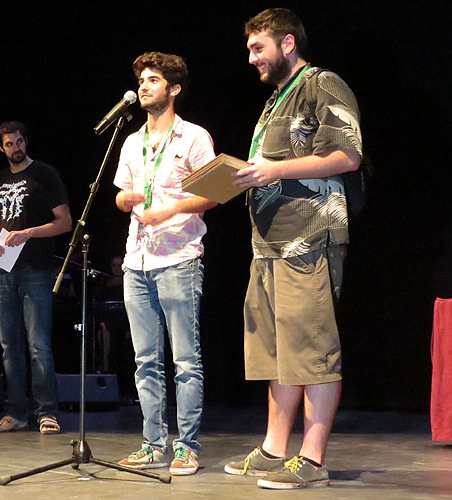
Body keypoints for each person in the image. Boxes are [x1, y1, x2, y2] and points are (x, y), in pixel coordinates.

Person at [223, 8, 363, 489]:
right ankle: (273, 449)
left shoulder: (322, 83)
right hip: (269, 245)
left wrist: (273, 170)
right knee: (279, 352)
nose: (251, 58)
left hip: (308, 240)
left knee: (312, 349)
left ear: (287, 43)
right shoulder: (274, 100)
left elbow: (348, 155)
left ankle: (313, 459)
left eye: (257, 47)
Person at [114, 51, 217, 476]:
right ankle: (153, 444)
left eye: (153, 80)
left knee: (185, 361)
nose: (143, 86)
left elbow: (213, 193)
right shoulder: (131, 141)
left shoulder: (193, 137)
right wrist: (126, 200)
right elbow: (120, 195)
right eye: (141, 80)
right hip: (137, 260)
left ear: (173, 89)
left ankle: (186, 446)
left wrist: (170, 208)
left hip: (178, 258)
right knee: (145, 361)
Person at [0, 120, 72, 435]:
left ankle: (47, 412)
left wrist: (29, 232)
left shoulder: (44, 174)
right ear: (1, 148)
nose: (15, 148)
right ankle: (16, 412)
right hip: (2, 270)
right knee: (9, 345)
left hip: (36, 268)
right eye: (9, 144)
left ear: (25, 142)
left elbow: (65, 222)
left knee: (39, 344)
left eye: (19, 141)